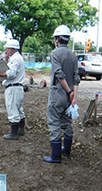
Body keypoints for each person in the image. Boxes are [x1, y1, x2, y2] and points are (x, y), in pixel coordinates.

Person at [43, 25, 80, 163]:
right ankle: (67, 151)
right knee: (66, 122)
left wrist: (68, 91)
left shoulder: (55, 53)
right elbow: (76, 78)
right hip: (69, 97)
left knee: (54, 122)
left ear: (57, 39)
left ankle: (56, 156)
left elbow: (59, 74)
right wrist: (73, 96)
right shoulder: (73, 55)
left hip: (58, 94)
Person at [0, 39, 26, 140]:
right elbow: (8, 69)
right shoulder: (15, 58)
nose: (6, 50)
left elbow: (11, 73)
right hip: (17, 87)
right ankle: (21, 129)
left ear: (11, 49)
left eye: (7, 48)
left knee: (13, 108)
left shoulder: (16, 59)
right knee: (18, 109)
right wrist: (6, 60)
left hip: (13, 87)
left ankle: (14, 133)